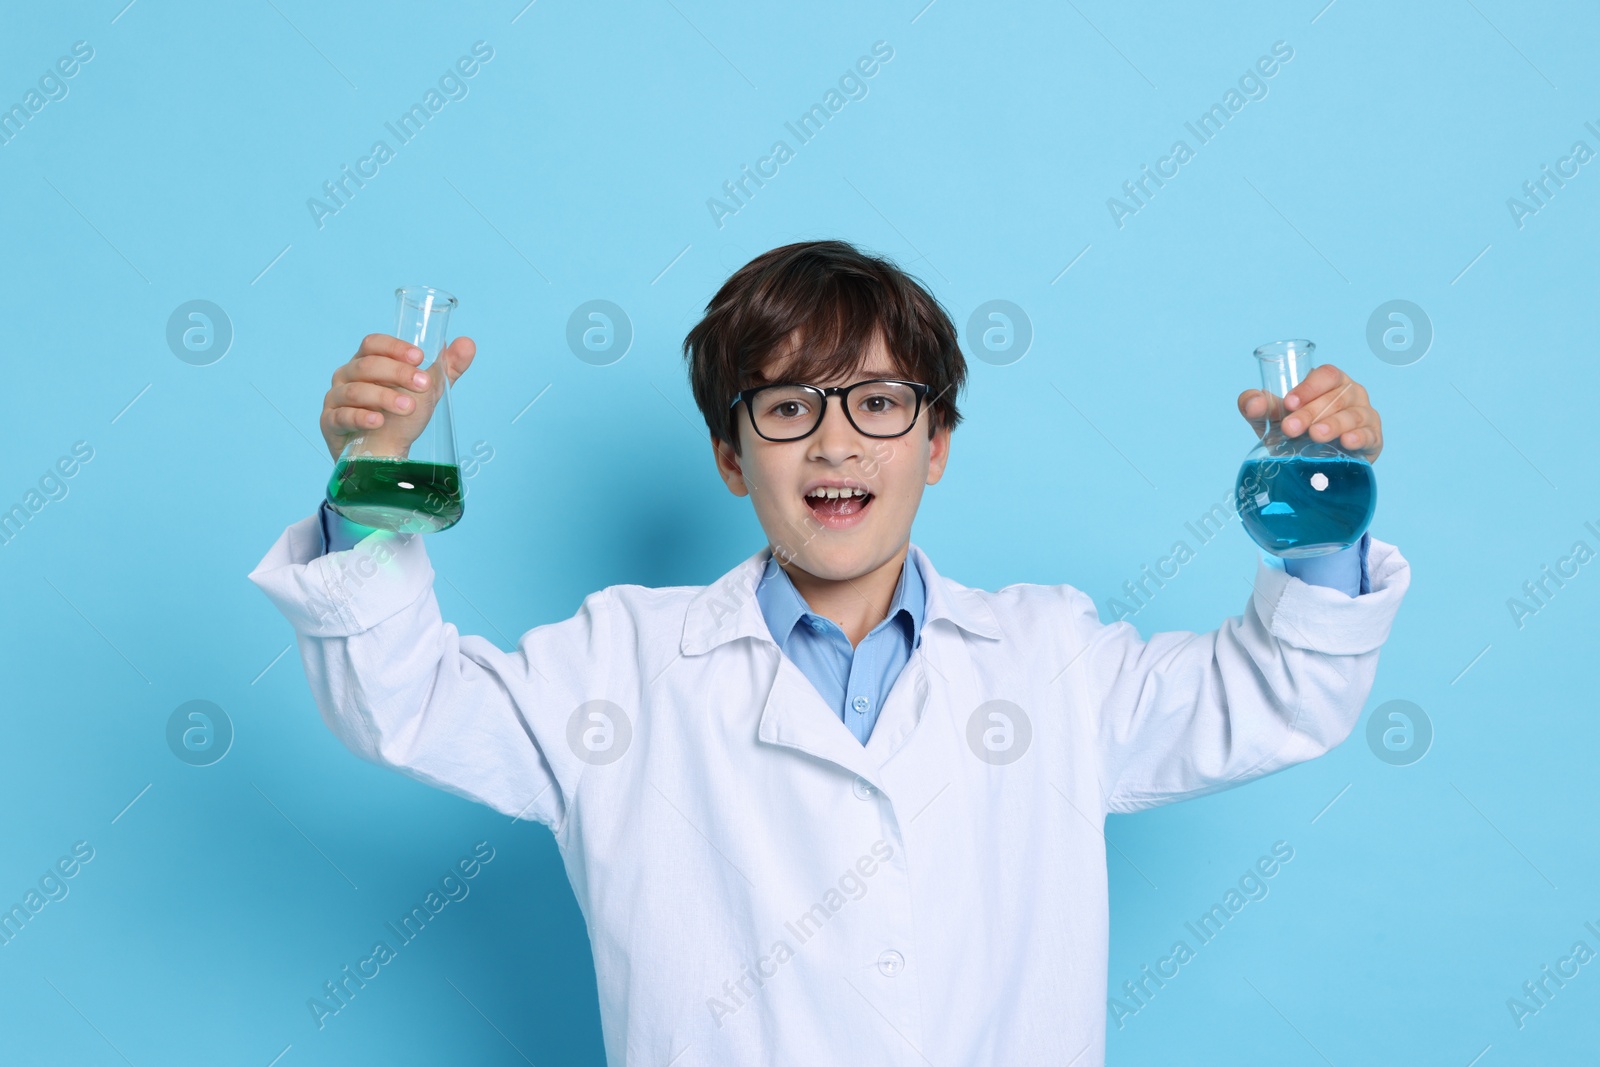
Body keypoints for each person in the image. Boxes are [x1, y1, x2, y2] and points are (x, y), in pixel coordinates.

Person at [248, 240, 1409, 1065]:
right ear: (727, 454)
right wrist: (370, 497)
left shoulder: (1053, 657)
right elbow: (399, 701)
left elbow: (1278, 692)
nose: (836, 438)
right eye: (787, 407)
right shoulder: (616, 668)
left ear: (937, 443)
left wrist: (1324, 524)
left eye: (880, 402)